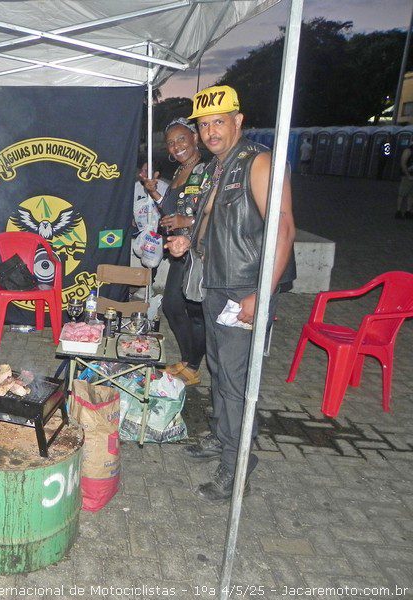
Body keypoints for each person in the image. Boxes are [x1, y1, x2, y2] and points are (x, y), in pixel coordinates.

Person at [166, 85, 296, 502]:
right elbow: (207, 218)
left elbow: (283, 228)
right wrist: (188, 240)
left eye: (218, 122)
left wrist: (262, 293)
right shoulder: (217, 167)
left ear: (238, 121)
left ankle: (236, 464)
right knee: (220, 370)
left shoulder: (259, 161)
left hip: (245, 287)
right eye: (204, 125)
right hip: (216, 282)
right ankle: (223, 438)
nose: (211, 132)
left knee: (237, 379)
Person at [143, 118, 207, 386]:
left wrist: (188, 221)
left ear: (195, 138)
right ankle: (187, 359)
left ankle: (193, 366)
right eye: (171, 142)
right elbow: (171, 211)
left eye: (181, 139)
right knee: (171, 305)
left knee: (195, 310)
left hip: (199, 250)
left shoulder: (207, 169)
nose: (176, 146)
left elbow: (215, 210)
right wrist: (154, 193)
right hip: (179, 250)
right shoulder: (181, 170)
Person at [396, 145, 413, 220]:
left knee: (411, 194)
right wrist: (408, 175)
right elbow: (403, 164)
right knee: (402, 193)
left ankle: (408, 211)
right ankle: (398, 211)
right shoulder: (408, 150)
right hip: (407, 176)